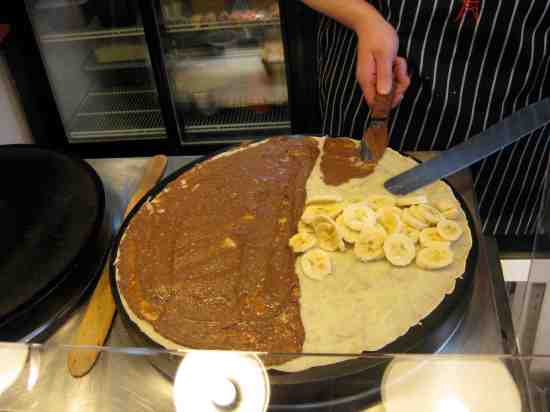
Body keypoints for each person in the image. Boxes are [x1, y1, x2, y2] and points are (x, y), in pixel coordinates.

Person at [301, 0, 550, 236]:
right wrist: (363, 18)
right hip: (377, 72)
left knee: (495, 252)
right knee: (343, 226)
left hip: (512, 120)